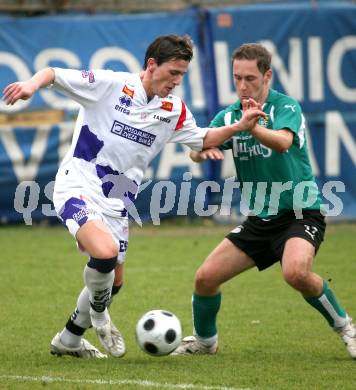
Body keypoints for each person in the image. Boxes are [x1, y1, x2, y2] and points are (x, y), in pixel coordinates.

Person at [3, 35, 266, 359]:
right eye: (172, 72)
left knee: (113, 283)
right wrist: (31, 85)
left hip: (117, 200)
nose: (176, 81)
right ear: (151, 65)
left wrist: (239, 126)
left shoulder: (173, 110)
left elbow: (203, 138)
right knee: (105, 254)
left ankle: (69, 340)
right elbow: (53, 73)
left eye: (182, 75)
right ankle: (99, 316)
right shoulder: (112, 85)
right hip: (78, 185)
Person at [172, 43, 356, 359]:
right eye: (237, 78)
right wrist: (202, 152)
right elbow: (197, 147)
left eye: (250, 78)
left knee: (295, 272)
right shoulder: (229, 116)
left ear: (267, 75)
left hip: (300, 212)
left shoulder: (286, 107)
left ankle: (347, 328)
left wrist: (251, 127)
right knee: (205, 278)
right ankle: (205, 342)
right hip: (261, 219)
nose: (243, 86)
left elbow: (283, 142)